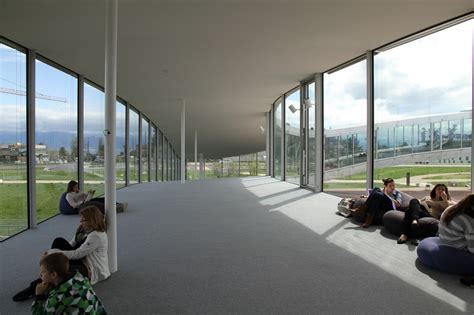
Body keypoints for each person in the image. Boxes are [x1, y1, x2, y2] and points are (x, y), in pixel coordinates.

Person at [13, 206, 110, 302]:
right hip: (82, 259)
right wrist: (55, 256)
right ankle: (48, 271)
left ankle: (34, 288)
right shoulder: (83, 229)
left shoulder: (96, 236)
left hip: (90, 268)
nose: (80, 222)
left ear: (92, 221)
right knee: (58, 242)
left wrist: (55, 252)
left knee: (62, 271)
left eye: (83, 220)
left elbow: (78, 254)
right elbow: (73, 243)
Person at [31, 252, 106, 314]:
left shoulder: (57, 298)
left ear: (53, 275)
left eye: (42, 273)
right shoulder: (79, 276)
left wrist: (39, 296)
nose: (40, 275)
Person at [438, 194, 474, 287]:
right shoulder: (469, 220)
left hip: (444, 239)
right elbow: (472, 250)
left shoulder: (452, 208)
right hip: (457, 247)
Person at [59, 180, 127, 215]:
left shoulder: (78, 191)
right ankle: (116, 209)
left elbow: (85, 195)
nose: (77, 188)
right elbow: (73, 205)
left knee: (102, 199)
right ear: (72, 187)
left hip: (85, 202)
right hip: (80, 207)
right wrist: (81, 202)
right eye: (76, 187)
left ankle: (118, 204)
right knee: (96, 204)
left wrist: (88, 194)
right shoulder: (69, 195)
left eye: (77, 186)